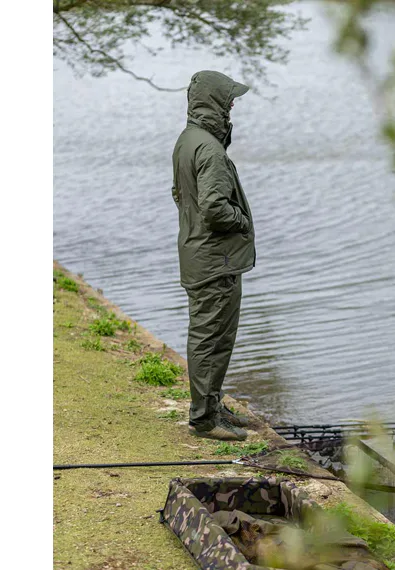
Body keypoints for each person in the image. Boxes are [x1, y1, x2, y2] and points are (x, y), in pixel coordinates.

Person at [171, 70, 256, 441]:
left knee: (212, 336)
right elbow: (215, 209)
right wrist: (242, 220)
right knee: (212, 339)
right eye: (229, 100)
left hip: (200, 254)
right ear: (216, 103)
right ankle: (205, 419)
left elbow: (179, 194)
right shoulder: (210, 150)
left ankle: (212, 405)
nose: (233, 105)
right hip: (215, 261)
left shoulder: (188, 140)